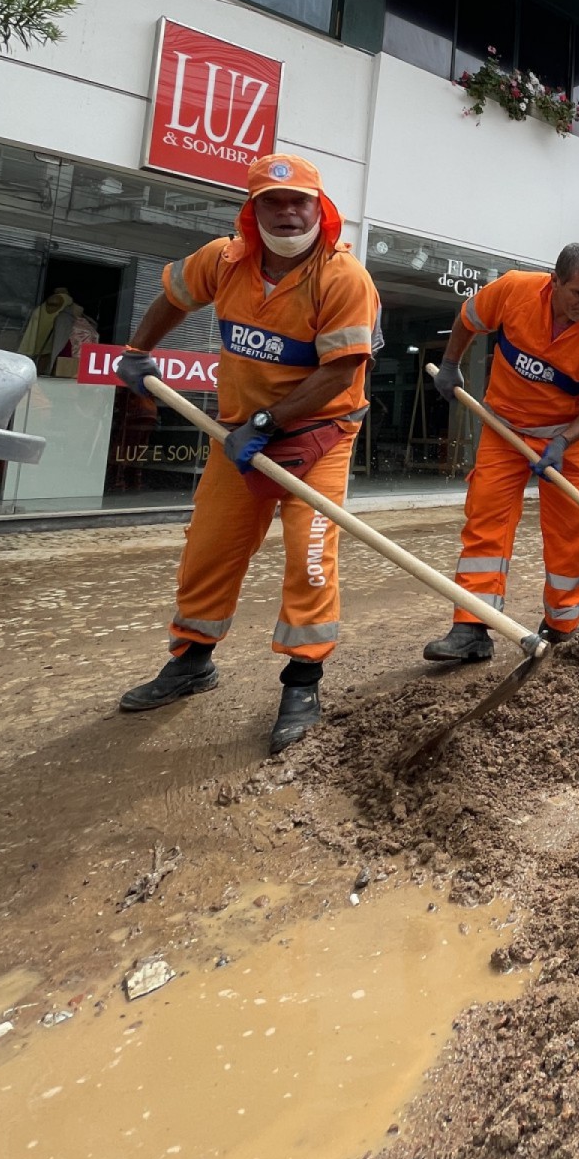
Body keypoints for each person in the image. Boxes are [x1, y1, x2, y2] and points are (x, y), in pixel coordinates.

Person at [115, 154, 379, 753]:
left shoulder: (343, 278)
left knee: (309, 557)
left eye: (299, 202)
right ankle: (191, 661)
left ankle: (302, 682)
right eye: (272, 203)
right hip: (237, 434)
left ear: (320, 207)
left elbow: (340, 373)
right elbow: (174, 294)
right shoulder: (224, 259)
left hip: (319, 436)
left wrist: (268, 420)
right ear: (252, 210)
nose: (287, 213)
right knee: (210, 547)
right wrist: (137, 348)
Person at [423, 244, 579, 662]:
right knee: (486, 521)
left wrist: (564, 441)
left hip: (570, 439)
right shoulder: (514, 290)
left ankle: (562, 627)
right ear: (554, 281)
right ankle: (472, 626)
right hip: (505, 428)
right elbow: (468, 318)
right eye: (578, 294)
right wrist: (450, 362)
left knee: (574, 534)